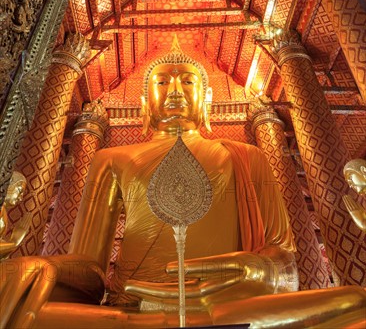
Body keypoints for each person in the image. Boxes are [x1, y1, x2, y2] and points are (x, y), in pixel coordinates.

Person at [1, 39, 365, 328]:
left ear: (206, 98)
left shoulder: (246, 154)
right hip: (133, 310)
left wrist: (259, 270)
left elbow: (284, 259)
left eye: (188, 81)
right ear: (146, 101)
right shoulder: (111, 160)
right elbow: (92, 271)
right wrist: (44, 270)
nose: (175, 88)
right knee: (21, 307)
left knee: (352, 304)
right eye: (162, 81)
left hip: (229, 306)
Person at [0, 171, 31, 259]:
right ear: (8, 186)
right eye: (19, 191)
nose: (20, 198)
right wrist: (14, 241)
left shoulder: (3, 212)